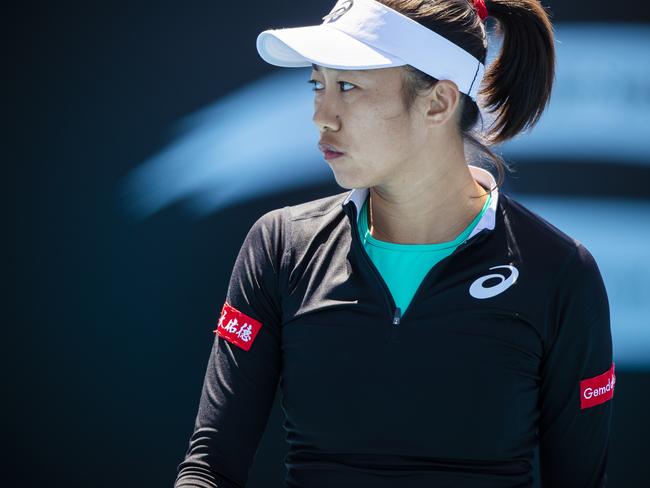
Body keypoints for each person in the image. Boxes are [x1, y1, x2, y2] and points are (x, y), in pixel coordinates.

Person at [174, 1, 615, 487]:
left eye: (348, 87)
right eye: (317, 84)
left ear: (438, 103)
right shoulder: (280, 245)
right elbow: (210, 469)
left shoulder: (560, 273)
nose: (323, 116)